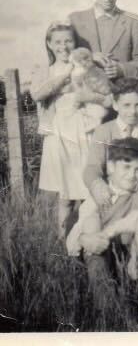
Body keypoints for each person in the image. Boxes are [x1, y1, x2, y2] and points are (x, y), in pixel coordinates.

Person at [78, 77, 138, 312]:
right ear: (115, 104)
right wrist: (97, 185)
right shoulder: (105, 129)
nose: (133, 111)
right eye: (126, 105)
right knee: (88, 225)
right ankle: (107, 305)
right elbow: (91, 168)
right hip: (113, 193)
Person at [30, 22, 111, 240]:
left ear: (74, 43)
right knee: (65, 195)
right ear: (49, 44)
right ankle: (64, 241)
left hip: (84, 130)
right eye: (57, 42)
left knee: (87, 188)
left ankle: (88, 239)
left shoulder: (87, 67)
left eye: (68, 41)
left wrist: (85, 95)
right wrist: (65, 74)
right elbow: (37, 94)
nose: (63, 46)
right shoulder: (45, 69)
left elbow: (106, 98)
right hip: (58, 134)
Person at [68, 137, 138, 315]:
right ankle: (107, 308)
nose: (132, 175)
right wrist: (85, 239)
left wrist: (113, 231)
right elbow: (76, 230)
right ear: (111, 167)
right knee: (90, 223)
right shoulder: (101, 194)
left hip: (134, 252)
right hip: (103, 252)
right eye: (126, 167)